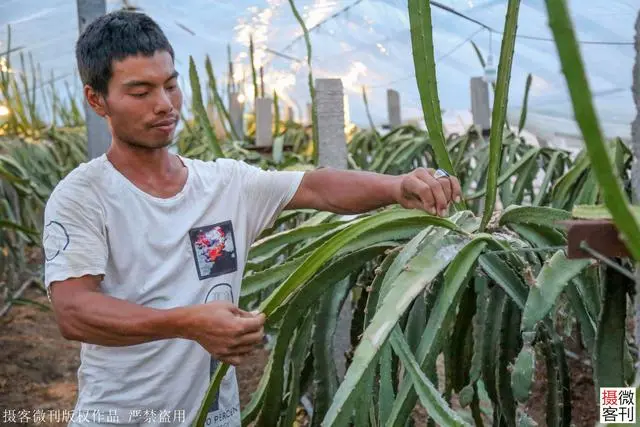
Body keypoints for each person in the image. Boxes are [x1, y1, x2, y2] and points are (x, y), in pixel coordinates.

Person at [42, 10, 461, 427]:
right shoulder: (84, 196)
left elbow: (317, 187)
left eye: (171, 85)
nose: (165, 105)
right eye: (140, 92)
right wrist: (186, 323)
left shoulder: (224, 185)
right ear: (97, 100)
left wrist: (396, 187)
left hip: (215, 417)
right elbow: (74, 311)